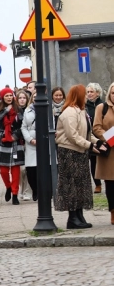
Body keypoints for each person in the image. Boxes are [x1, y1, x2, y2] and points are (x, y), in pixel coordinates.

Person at [55, 84, 100, 229]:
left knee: (81, 185)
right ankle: (72, 218)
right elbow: (72, 135)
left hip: (80, 152)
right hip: (69, 152)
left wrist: (97, 142)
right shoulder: (69, 112)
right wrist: (90, 145)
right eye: (84, 94)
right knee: (71, 186)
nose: (87, 96)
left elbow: (87, 132)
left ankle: (79, 215)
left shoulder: (81, 111)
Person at [0, 88, 25, 205]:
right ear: (2, 97)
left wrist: (15, 136)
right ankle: (8, 187)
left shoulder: (19, 109)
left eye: (10, 95)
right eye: (6, 96)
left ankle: (15, 194)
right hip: (2, 139)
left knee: (16, 170)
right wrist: (6, 110)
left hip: (15, 139)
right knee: (3, 170)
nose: (9, 98)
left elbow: (23, 125)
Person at [92, 81, 114, 224]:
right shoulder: (102, 108)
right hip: (110, 152)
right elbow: (97, 127)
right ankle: (113, 211)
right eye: (113, 92)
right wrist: (111, 138)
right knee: (111, 185)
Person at [86, 83, 104, 193]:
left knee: (105, 160)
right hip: (90, 137)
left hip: (103, 136)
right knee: (93, 162)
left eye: (91, 92)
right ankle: (97, 184)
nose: (89, 94)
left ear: (97, 93)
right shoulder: (85, 106)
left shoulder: (103, 105)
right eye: (88, 92)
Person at [20, 92, 38, 202]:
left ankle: (42, 191)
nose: (36, 98)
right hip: (31, 142)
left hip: (43, 142)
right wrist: (30, 139)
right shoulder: (27, 110)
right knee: (31, 169)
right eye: (34, 97)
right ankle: (35, 190)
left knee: (43, 169)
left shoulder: (47, 108)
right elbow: (24, 127)